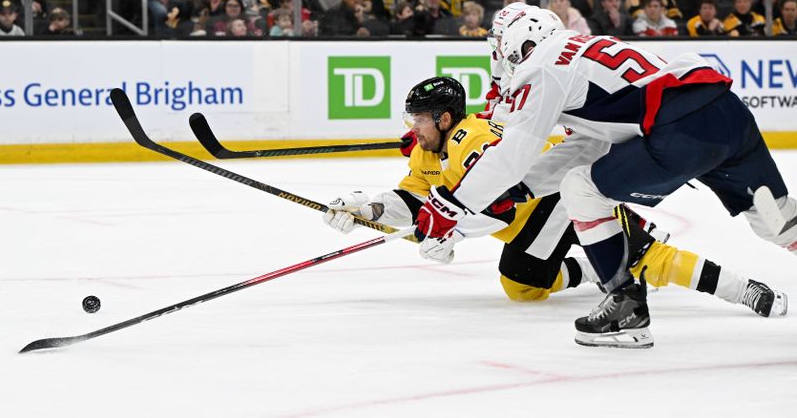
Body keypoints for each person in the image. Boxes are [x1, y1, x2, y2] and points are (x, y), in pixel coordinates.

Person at [412, 5, 796, 348]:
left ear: (519, 38)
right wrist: (520, 189)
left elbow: (514, 152)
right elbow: (588, 147)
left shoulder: (541, 65)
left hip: (678, 132)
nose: (498, 55)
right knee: (777, 221)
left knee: (580, 190)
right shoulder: (582, 50)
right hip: (725, 112)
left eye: (499, 43)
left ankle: (626, 306)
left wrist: (452, 205)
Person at [323, 75, 788, 317]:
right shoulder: (427, 153)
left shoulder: (471, 139)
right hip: (530, 220)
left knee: (643, 258)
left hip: (555, 196)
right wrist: (365, 210)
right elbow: (412, 203)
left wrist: (453, 233)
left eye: (419, 119)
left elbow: (493, 203)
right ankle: (597, 268)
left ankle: (742, 289)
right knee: (522, 283)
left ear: (444, 119)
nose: (413, 127)